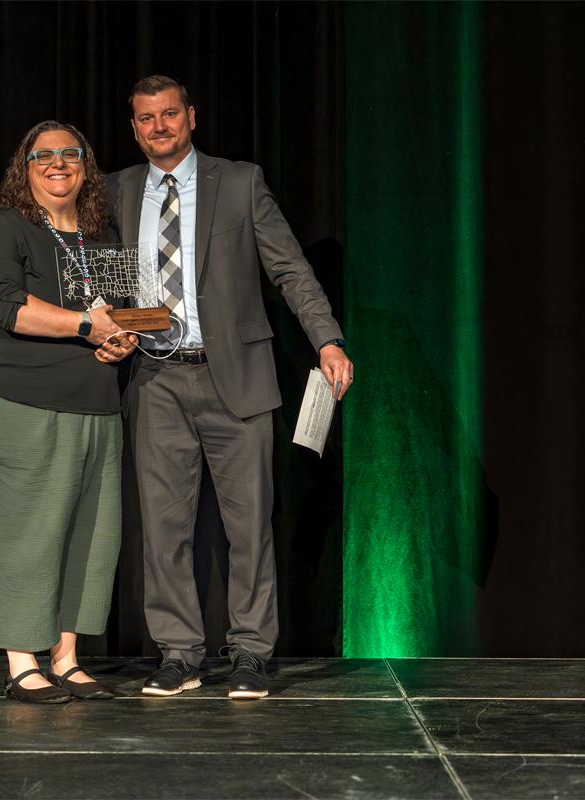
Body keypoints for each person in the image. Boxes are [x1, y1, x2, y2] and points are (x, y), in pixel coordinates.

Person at [107, 76, 354, 700]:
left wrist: (326, 340)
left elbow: (289, 268)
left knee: (249, 527)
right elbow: (67, 241)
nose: (159, 127)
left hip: (236, 378)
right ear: (133, 127)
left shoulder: (239, 182)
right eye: (146, 119)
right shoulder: (117, 189)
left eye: (169, 115)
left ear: (191, 116)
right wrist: (1, 210)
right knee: (164, 528)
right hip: (156, 376)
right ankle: (179, 654)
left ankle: (249, 653)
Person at [0, 120, 138, 703]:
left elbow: (115, 313)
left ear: (87, 165)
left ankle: (65, 658)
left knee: (90, 536)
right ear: (26, 166)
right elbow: (3, 306)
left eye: (70, 153)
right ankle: (21, 662)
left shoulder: (103, 233)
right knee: (26, 535)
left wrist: (118, 339)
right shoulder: (4, 226)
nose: (57, 163)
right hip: (21, 399)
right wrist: (89, 326)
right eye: (44, 156)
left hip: (96, 403)